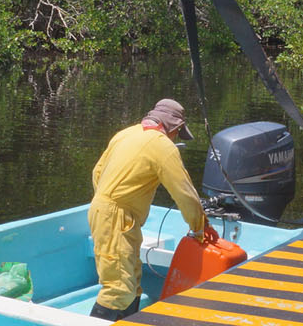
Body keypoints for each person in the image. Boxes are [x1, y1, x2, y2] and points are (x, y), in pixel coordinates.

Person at [88, 98, 214, 320]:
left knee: (133, 281)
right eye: (178, 133)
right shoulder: (163, 146)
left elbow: (97, 172)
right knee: (118, 289)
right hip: (116, 216)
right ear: (174, 128)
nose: (176, 138)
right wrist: (200, 227)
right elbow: (184, 193)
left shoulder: (126, 133)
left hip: (110, 212)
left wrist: (109, 204)